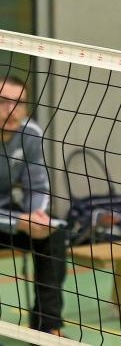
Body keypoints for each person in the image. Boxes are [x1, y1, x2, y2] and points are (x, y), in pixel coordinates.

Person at [0, 76, 67, 335]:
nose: (11, 110)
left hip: (8, 213)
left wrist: (36, 216)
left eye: (19, 103)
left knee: (53, 232)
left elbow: (37, 185)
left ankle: (46, 327)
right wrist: (18, 221)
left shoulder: (30, 134)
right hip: (9, 219)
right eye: (4, 102)